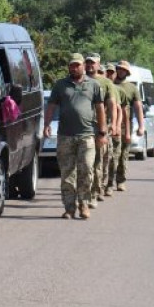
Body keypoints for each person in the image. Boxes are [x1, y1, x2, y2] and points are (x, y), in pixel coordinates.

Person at [43, 53, 107, 219]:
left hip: (87, 135)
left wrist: (102, 132)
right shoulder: (60, 85)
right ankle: (69, 208)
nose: (74, 68)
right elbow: (51, 106)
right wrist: (46, 124)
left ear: (83, 66)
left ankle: (84, 203)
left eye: (77, 65)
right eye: (71, 65)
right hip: (65, 136)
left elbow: (100, 109)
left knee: (86, 169)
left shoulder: (93, 85)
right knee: (67, 173)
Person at [85, 53, 119, 206]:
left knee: (97, 161)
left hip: (98, 126)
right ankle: (83, 194)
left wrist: (113, 124)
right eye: (88, 63)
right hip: (82, 127)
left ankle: (94, 193)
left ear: (98, 65)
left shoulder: (106, 83)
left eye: (93, 63)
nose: (90, 65)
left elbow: (112, 105)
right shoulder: (79, 80)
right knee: (83, 163)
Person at [113, 59, 145, 192]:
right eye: (119, 69)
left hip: (125, 126)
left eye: (124, 70)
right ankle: (106, 182)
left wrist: (141, 126)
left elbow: (138, 108)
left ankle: (120, 180)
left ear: (127, 72)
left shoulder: (132, 88)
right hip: (110, 124)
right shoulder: (110, 84)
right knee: (110, 154)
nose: (121, 71)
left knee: (123, 154)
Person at [103, 63, 124, 196]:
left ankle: (109, 184)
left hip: (110, 129)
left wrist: (116, 125)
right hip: (99, 127)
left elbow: (119, 110)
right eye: (108, 72)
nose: (110, 75)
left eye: (112, 72)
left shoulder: (115, 89)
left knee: (111, 158)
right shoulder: (99, 86)